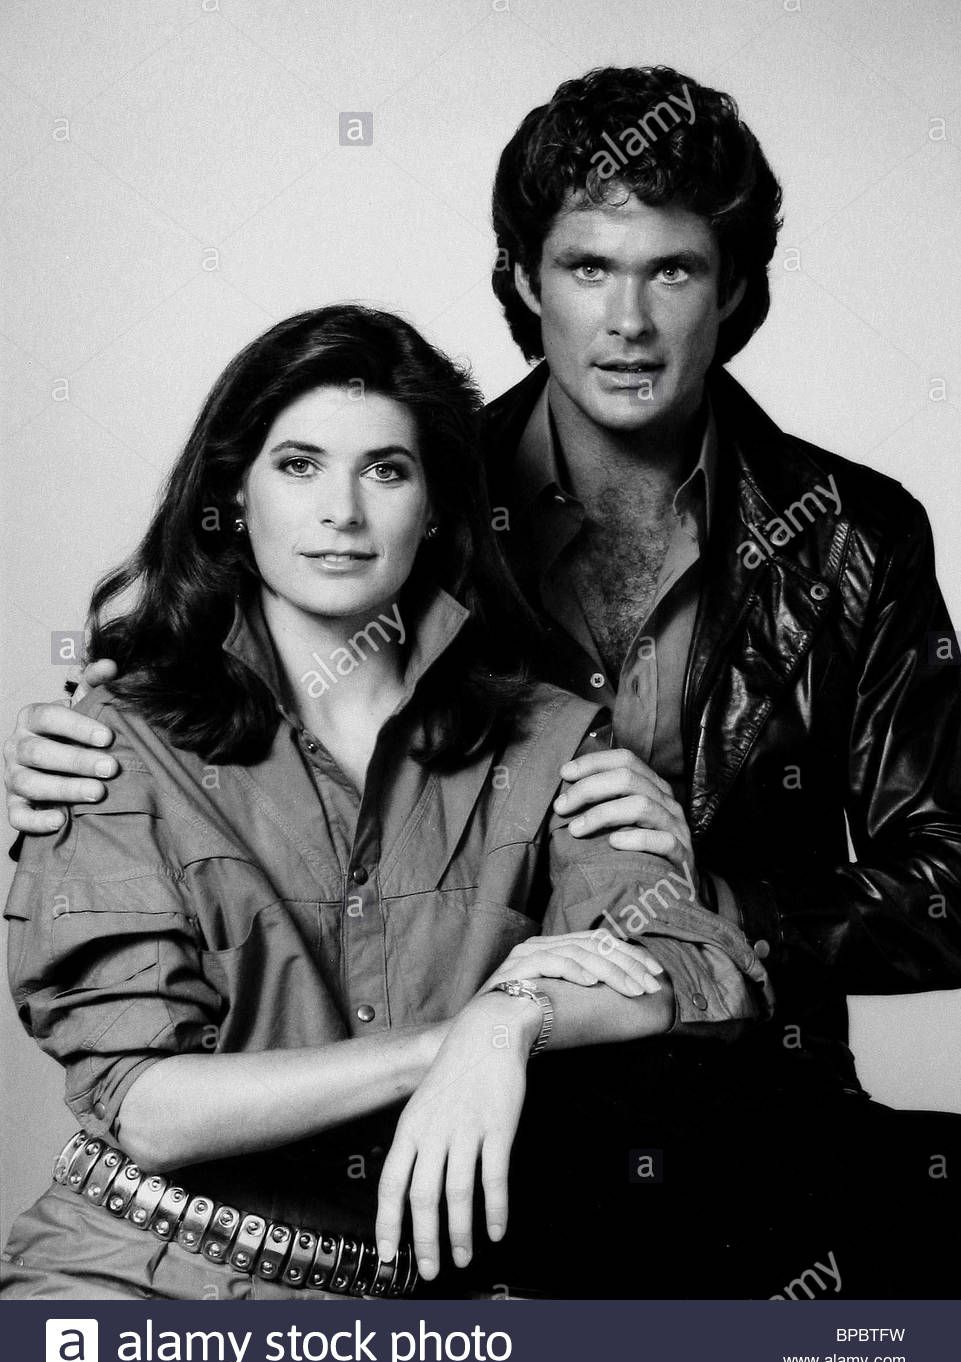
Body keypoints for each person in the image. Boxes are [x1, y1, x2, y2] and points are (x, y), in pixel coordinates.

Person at [7, 65, 961, 1295]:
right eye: (587, 268)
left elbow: (948, 881)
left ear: (731, 288)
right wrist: (106, 732)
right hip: (459, 1151)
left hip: (716, 1091)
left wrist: (706, 895)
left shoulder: (849, 533)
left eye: (672, 270)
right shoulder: (423, 486)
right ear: (521, 278)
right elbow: (252, 688)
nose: (628, 321)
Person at [0, 305, 769, 1301]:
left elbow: (693, 968)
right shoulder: (115, 743)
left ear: (437, 504)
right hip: (140, 1273)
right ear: (234, 491)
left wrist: (512, 1019)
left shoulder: (549, 738)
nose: (343, 511)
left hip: (432, 1298)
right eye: (298, 465)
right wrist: (452, 1045)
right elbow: (145, 1106)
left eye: (387, 470)